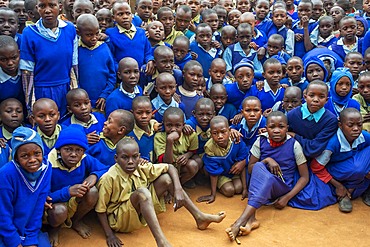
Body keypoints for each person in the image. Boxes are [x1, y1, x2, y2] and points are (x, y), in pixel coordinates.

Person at [95, 138, 226, 246]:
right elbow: (100, 210)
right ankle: (161, 242)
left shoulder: (140, 166)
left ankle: (199, 216)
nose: (130, 162)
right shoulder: (109, 178)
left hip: (138, 210)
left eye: (134, 157)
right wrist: (110, 235)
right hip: (120, 220)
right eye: (125, 157)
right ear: (116, 158)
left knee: (167, 179)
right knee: (143, 193)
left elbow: (169, 167)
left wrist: (178, 189)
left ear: (139, 156)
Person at [225, 111, 309, 241]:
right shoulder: (261, 140)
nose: (276, 131)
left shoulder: (294, 144)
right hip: (262, 183)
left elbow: (304, 177)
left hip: (281, 186)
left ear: (287, 128)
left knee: (265, 175)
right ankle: (251, 220)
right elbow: (251, 169)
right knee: (259, 167)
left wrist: (287, 197)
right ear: (266, 127)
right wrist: (267, 160)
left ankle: (240, 221)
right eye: (272, 127)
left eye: (281, 127)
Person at [46, 125, 107, 246]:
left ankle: (76, 221)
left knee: (93, 191)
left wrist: (94, 175)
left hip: (75, 201)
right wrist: (67, 191)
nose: (74, 154)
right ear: (59, 149)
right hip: (54, 204)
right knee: (59, 212)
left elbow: (107, 169)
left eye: (78, 150)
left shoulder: (85, 159)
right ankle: (55, 228)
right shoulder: (47, 164)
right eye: (68, 149)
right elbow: (44, 197)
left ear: (83, 151)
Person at [20, 0, 78, 116]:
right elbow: (27, 73)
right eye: (42, 6)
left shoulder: (69, 29)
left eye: (52, 5)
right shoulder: (29, 33)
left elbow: (74, 65)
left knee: (64, 124)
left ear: (60, 7)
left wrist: (74, 94)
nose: (47, 10)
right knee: (45, 126)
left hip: (65, 88)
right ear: (37, 8)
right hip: (42, 90)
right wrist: (31, 106)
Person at [0, 127, 51, 247]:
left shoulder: (46, 168)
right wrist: (14, 242)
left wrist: (31, 239)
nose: (32, 160)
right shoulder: (6, 174)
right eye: (25, 156)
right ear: (16, 158)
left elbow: (38, 207)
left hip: (28, 227)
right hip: (5, 229)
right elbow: (3, 213)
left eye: (37, 153)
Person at [311, 108, 370, 212]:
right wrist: (338, 186)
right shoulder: (332, 143)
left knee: (360, 168)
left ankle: (357, 189)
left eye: (359, 125)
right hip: (336, 170)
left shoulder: (364, 136)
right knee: (357, 169)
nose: (356, 129)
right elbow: (316, 167)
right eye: (350, 125)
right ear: (340, 126)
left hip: (354, 168)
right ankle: (345, 193)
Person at [198, 115, 248, 204]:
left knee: (239, 188)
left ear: (229, 131)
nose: (220, 136)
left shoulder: (236, 140)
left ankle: (239, 186)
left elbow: (242, 162)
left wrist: (245, 188)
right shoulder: (209, 147)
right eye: (215, 133)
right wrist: (212, 194)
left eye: (223, 132)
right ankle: (217, 185)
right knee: (229, 191)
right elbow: (214, 171)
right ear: (210, 133)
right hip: (220, 173)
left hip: (233, 171)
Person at [287, 80, 338, 159]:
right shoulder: (292, 115)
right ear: (305, 97)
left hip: (317, 160)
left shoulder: (330, 120)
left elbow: (314, 149)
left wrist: (295, 136)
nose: (316, 100)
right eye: (311, 95)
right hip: (293, 158)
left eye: (321, 97)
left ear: (326, 100)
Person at [76, 14, 115, 111]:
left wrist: (105, 94)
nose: (94, 38)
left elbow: (112, 74)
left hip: (102, 100)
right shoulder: (76, 50)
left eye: (97, 34)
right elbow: (73, 77)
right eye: (89, 35)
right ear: (78, 32)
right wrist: (81, 98)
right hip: (82, 103)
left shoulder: (104, 48)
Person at [154, 107, 201, 186]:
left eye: (177, 126)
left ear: (183, 125)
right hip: (166, 168)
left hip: (181, 166)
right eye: (169, 125)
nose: (173, 129)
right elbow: (166, 162)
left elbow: (193, 151)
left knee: (194, 164)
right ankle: (172, 187)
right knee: (166, 178)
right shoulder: (159, 137)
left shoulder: (191, 135)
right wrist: (169, 141)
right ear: (163, 124)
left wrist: (187, 155)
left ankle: (180, 184)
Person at [105, 2, 154, 71]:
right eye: (120, 14)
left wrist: (150, 60)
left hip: (141, 74)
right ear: (113, 18)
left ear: (132, 15)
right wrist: (119, 70)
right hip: (122, 75)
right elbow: (111, 57)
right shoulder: (111, 33)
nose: (125, 17)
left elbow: (147, 52)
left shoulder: (141, 32)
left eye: (128, 13)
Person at [128, 96, 159, 162]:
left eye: (148, 113)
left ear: (152, 113)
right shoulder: (129, 135)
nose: (144, 116)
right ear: (132, 113)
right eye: (139, 113)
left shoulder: (156, 128)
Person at [0, 35, 24, 104]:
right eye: (3, 59)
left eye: (14, 58)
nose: (10, 63)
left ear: (19, 54)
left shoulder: (27, 74)